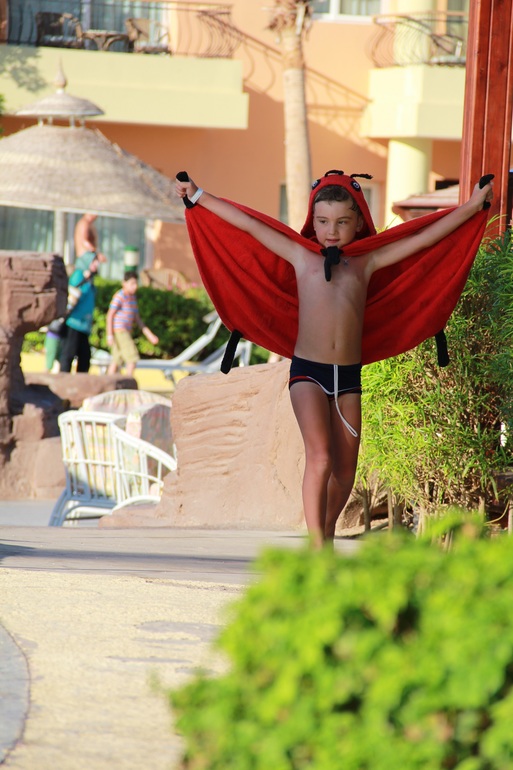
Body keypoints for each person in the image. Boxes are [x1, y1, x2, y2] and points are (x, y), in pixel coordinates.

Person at [175, 172, 493, 548]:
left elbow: (423, 238)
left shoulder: (367, 261)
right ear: (313, 221)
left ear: (358, 223)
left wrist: (472, 206)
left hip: (348, 378)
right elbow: (248, 224)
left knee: (345, 473)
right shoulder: (300, 255)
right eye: (323, 221)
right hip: (308, 374)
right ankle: (317, 548)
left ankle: (323, 536)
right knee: (321, 457)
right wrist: (198, 195)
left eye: (342, 222)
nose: (332, 231)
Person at [59, 251, 107, 373]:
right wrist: (84, 279)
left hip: (84, 325)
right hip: (73, 322)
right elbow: (71, 294)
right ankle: (63, 380)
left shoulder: (90, 278)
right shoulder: (79, 275)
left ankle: (81, 383)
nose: (96, 264)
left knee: (85, 357)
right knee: (68, 354)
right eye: (94, 261)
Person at [106, 270, 159, 377]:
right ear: (124, 283)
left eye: (136, 283)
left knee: (117, 359)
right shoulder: (120, 296)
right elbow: (110, 315)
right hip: (120, 331)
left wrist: (150, 335)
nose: (135, 286)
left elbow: (138, 319)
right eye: (132, 284)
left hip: (126, 331)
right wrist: (109, 335)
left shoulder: (132, 298)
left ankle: (108, 382)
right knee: (132, 357)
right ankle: (129, 380)